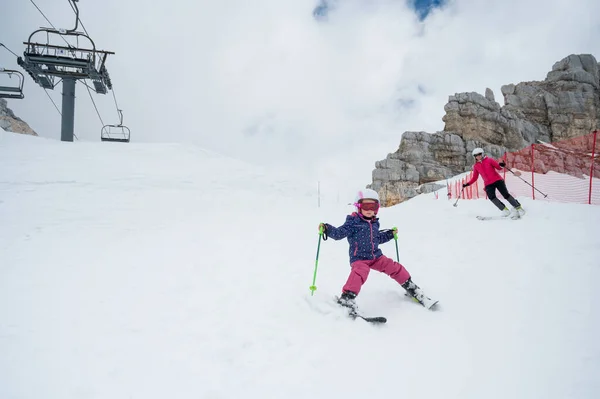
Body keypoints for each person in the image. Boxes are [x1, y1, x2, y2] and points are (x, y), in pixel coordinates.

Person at [319, 188, 431, 312]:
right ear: (358, 206)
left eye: (373, 206)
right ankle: (347, 297)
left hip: (376, 257)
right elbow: (339, 234)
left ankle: (411, 287)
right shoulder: (352, 222)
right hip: (359, 258)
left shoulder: (374, 223)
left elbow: (377, 239)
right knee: (360, 272)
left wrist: (389, 234)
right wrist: (327, 229)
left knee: (394, 267)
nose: (369, 210)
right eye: (366, 206)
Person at [463, 148, 526, 218]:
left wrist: (502, 165)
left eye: (479, 154)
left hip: (498, 180)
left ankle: (518, 208)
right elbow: (475, 177)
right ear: (474, 157)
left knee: (506, 195)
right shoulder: (476, 166)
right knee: (491, 197)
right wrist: (467, 184)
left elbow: (498, 167)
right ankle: (505, 210)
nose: (478, 156)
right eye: (476, 155)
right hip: (488, 184)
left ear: (482, 154)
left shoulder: (489, 160)